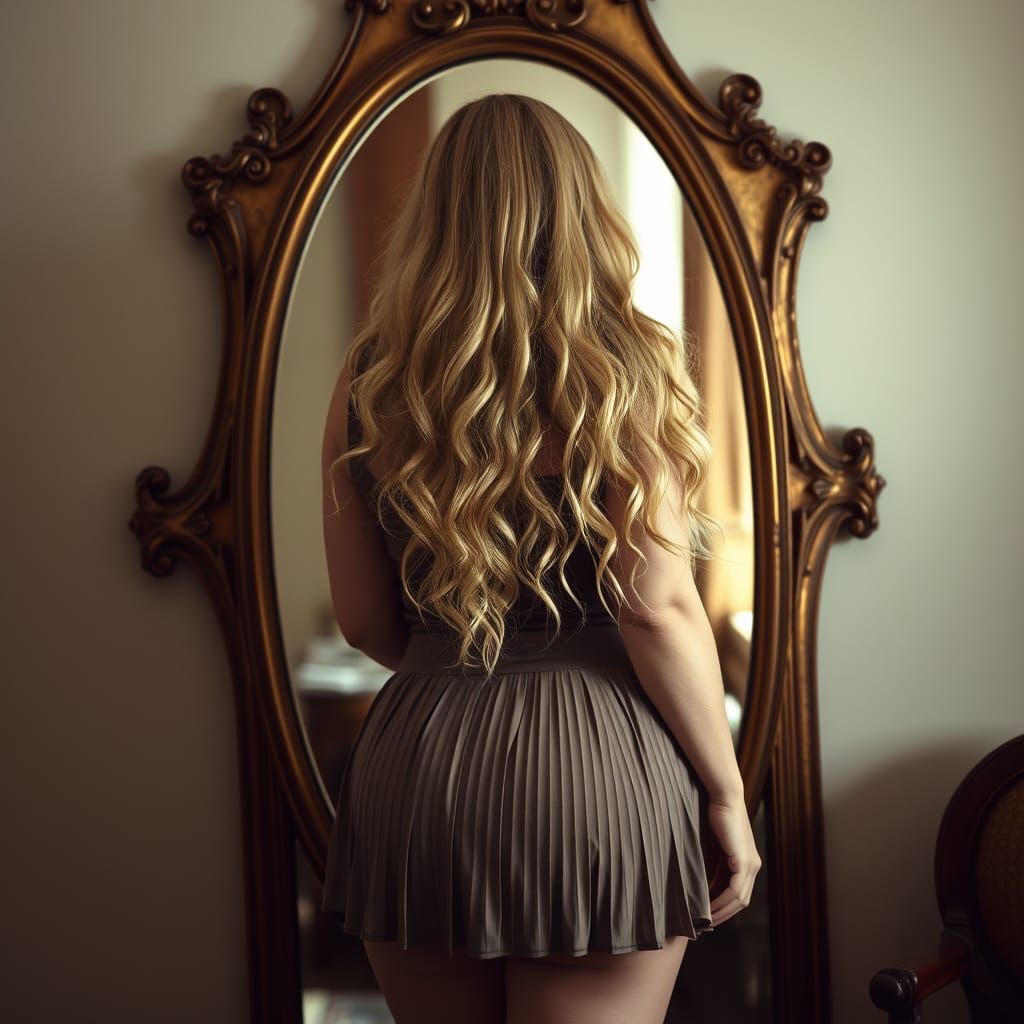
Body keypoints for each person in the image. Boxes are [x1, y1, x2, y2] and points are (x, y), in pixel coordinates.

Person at [319, 92, 760, 1024]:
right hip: (596, 771)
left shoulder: (370, 379)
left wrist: (457, 667)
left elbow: (361, 621)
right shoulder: (627, 369)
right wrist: (726, 793)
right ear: (583, 210)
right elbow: (655, 608)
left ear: (433, 216)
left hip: (418, 768)